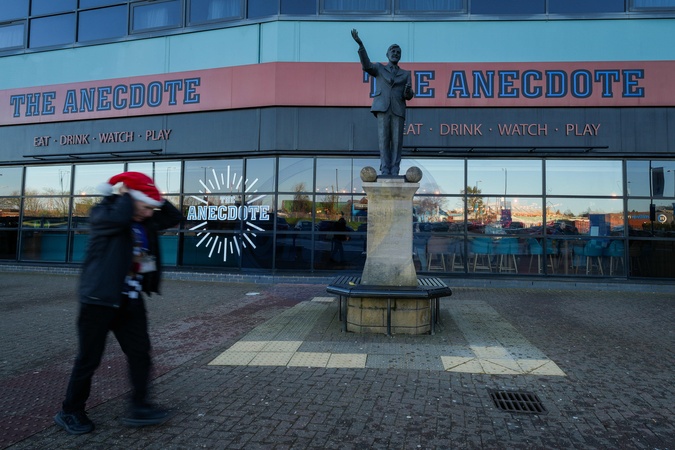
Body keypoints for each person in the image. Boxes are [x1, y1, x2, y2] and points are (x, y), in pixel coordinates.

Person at [54, 171, 182, 435]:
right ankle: (70, 411)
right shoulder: (103, 214)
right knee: (89, 359)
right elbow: (118, 217)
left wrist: (153, 195)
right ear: (130, 199)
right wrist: (124, 194)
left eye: (151, 208)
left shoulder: (144, 221)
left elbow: (173, 216)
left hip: (130, 301)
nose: (149, 213)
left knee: (140, 353)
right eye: (145, 207)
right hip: (98, 301)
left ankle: (140, 406)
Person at [352, 29, 415, 176]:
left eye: (398, 52)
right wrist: (361, 45)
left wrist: (408, 92)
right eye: (393, 51)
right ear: (387, 54)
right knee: (384, 140)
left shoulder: (406, 74)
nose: (395, 53)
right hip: (382, 108)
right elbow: (366, 65)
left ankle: (395, 169)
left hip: (398, 109)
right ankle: (385, 169)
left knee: (397, 142)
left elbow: (409, 95)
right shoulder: (380, 68)